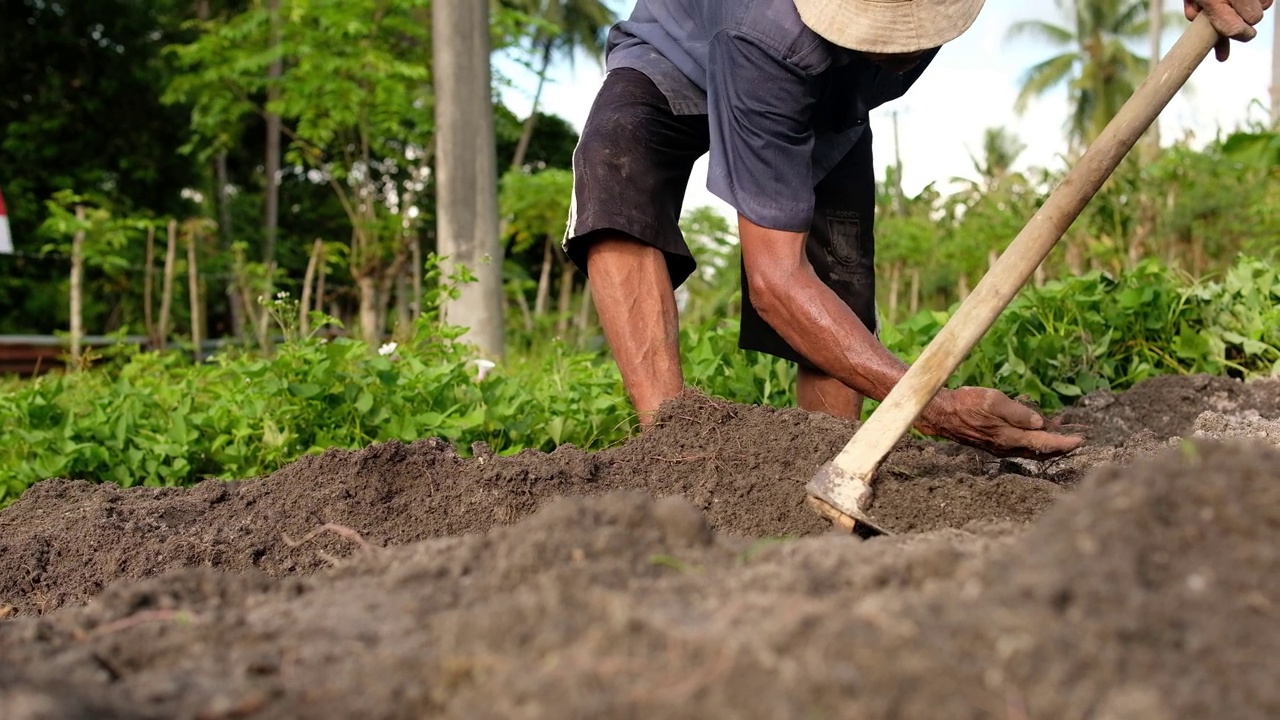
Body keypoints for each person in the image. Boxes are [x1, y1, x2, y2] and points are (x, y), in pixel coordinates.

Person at [562, 0, 1271, 459]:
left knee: (838, 274)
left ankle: (831, 458)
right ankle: (673, 443)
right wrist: (927, 404)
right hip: (681, 52)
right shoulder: (768, 38)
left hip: (830, 96)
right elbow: (774, 282)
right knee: (615, 162)